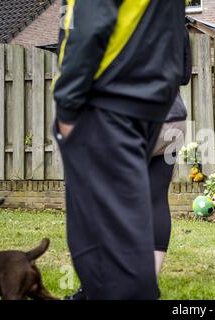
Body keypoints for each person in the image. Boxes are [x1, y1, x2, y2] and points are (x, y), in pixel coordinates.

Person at [53, 0, 186, 300]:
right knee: (145, 207)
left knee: (101, 231)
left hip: (108, 106)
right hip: (166, 110)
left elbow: (87, 23)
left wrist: (67, 104)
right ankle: (143, 281)